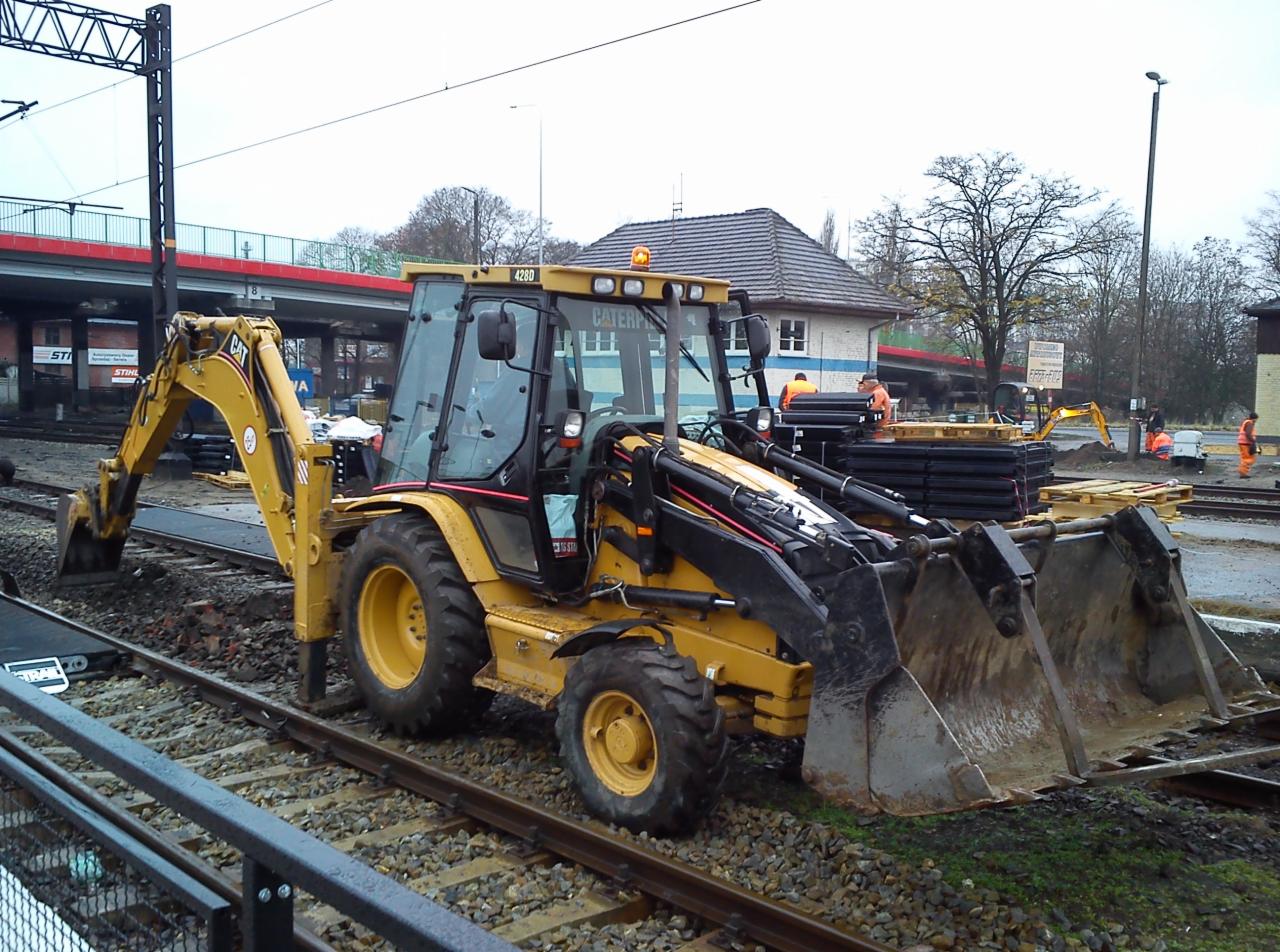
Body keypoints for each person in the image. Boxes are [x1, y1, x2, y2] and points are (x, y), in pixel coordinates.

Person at [1238, 411, 1260, 478]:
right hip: (1246, 443)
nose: (1256, 421)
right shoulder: (1249, 423)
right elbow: (1248, 434)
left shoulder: (1245, 422)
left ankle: (1243, 472)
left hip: (1242, 443)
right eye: (1256, 419)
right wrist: (1253, 441)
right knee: (1248, 458)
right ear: (1254, 418)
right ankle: (1243, 473)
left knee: (1244, 458)